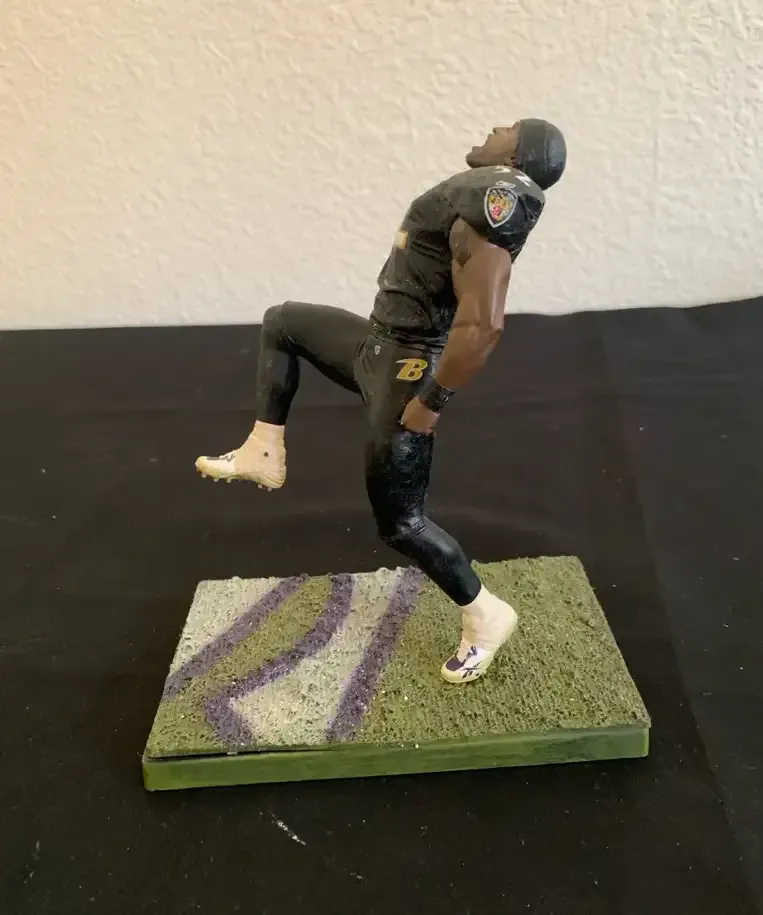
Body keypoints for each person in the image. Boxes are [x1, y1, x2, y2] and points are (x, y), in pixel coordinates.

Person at [196, 118, 567, 684]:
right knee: (283, 322)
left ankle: (485, 613)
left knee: (401, 523)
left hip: (406, 369)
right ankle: (263, 448)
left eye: (510, 128)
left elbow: (483, 325)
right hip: (378, 345)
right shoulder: (471, 194)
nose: (496, 127)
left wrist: (430, 402)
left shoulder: (494, 198)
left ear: (519, 155)